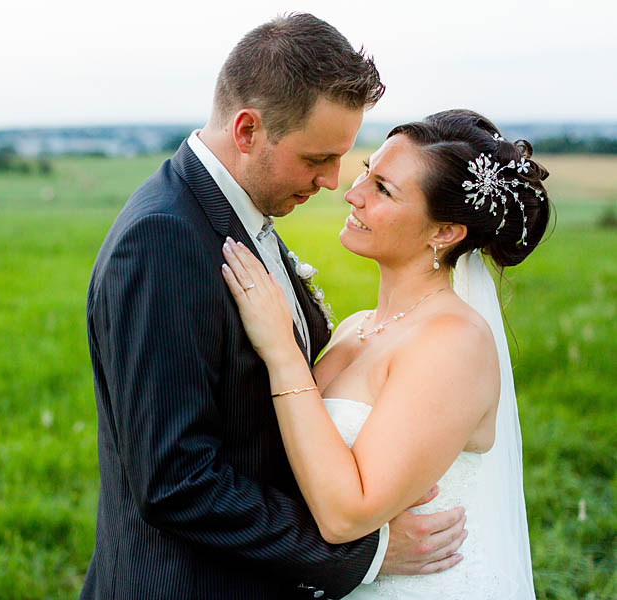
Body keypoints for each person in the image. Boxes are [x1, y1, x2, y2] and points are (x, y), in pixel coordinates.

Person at [81, 14, 469, 600]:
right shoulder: (162, 240)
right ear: (247, 131)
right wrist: (368, 551)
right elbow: (174, 481)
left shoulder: (238, 213)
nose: (334, 181)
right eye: (316, 159)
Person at [220, 109, 549, 598]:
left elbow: (345, 513)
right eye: (366, 172)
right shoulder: (357, 329)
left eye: (384, 190)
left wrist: (281, 350)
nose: (352, 194)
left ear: (445, 232)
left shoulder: (454, 342)